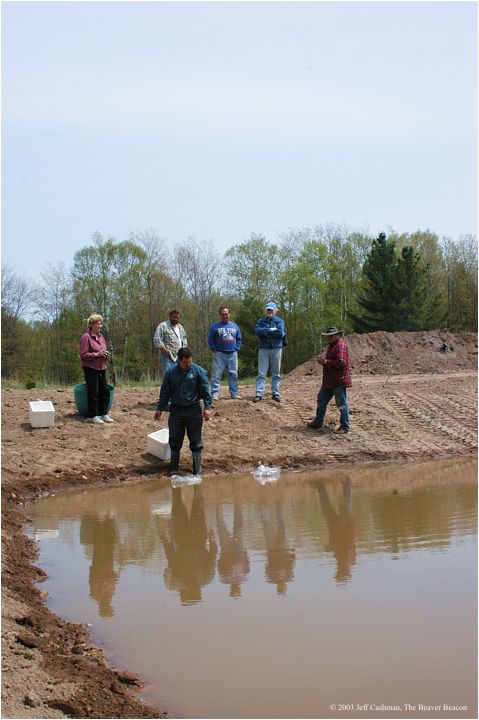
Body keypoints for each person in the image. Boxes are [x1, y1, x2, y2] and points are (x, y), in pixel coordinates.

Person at [154, 347, 212, 476]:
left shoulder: (198, 372)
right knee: (174, 440)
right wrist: (159, 408)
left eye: (190, 362)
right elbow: (165, 392)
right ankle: (174, 468)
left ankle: (197, 469)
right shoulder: (170, 373)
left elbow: (205, 392)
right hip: (175, 411)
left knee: (196, 441)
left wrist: (207, 408)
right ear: (179, 361)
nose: (188, 364)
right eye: (185, 362)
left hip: (193, 410)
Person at [307, 326, 351, 433]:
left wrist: (326, 362)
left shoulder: (340, 346)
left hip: (338, 381)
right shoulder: (332, 346)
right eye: (328, 336)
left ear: (337, 335)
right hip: (330, 381)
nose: (329, 338)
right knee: (321, 399)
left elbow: (342, 362)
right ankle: (318, 422)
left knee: (341, 404)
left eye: (331, 336)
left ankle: (344, 426)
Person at [79, 314, 113, 424]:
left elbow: (102, 350)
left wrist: (105, 355)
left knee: (105, 391)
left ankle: (103, 414)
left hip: (101, 367)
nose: (100, 325)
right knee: (93, 392)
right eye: (97, 324)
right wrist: (97, 354)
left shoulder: (101, 337)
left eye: (100, 323)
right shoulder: (86, 337)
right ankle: (92, 415)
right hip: (90, 368)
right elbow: (83, 355)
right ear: (91, 325)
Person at [253, 301, 286, 403]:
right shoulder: (261, 321)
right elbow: (257, 331)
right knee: (261, 372)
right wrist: (271, 329)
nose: (270, 311)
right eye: (268, 310)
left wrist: (265, 332)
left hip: (277, 348)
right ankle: (259, 393)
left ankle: (275, 393)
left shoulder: (280, 321)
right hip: (264, 348)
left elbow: (280, 333)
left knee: (276, 373)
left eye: (271, 310)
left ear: (275, 310)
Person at [208, 307, 243, 400]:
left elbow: (239, 338)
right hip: (219, 354)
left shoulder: (234, 326)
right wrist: (214, 349)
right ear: (220, 315)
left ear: (229, 314)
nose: (225, 316)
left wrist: (237, 349)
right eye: (223, 314)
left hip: (232, 354)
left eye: (226, 314)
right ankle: (214, 394)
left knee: (233, 374)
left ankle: (234, 393)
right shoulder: (215, 326)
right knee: (216, 374)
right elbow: (210, 339)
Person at [153, 309, 188, 377]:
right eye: (173, 317)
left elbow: (184, 340)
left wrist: (185, 353)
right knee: (169, 377)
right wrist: (165, 351)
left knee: (180, 377)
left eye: (177, 317)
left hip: (180, 357)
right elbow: (157, 339)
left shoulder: (180, 327)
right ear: (170, 316)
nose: (175, 319)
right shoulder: (163, 325)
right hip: (168, 356)